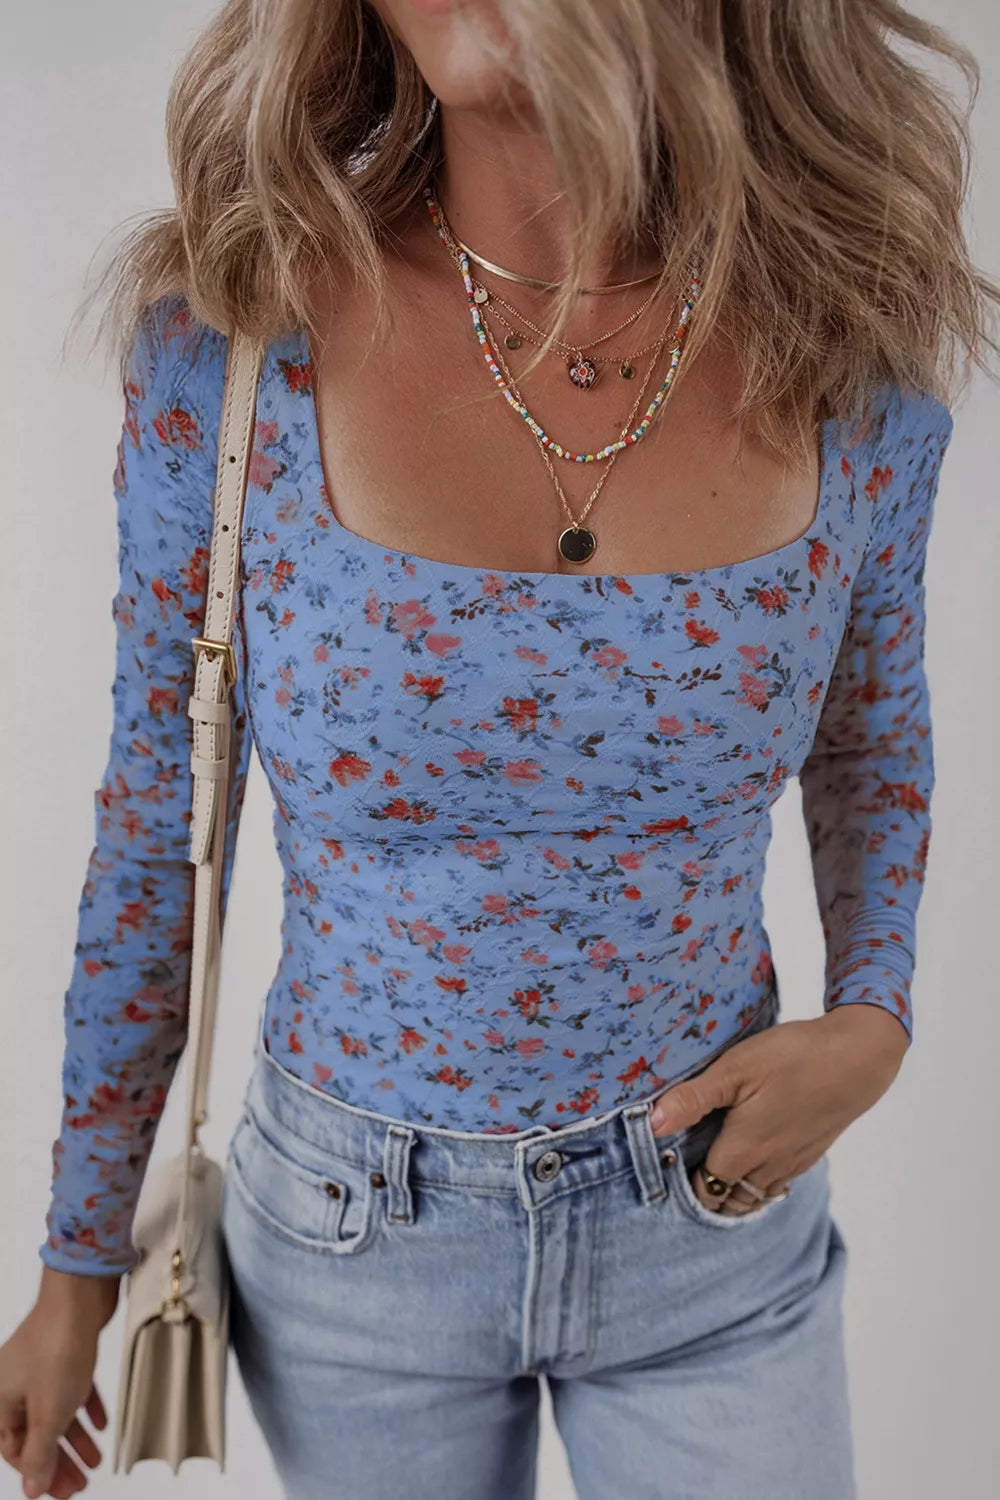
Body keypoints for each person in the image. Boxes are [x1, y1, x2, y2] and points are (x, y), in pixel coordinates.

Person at [2, 1, 996, 1497]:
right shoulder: (236, 349)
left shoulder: (844, 354)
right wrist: (78, 1262)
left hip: (713, 1225)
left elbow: (869, 734)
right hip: (354, 1247)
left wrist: (878, 1017)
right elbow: (163, 823)